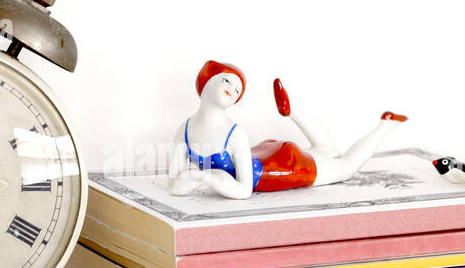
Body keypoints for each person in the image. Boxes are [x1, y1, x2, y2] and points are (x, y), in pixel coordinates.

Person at [168, 60, 407, 199]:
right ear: (205, 81)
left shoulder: (235, 133)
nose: (232, 89)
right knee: (328, 150)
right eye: (227, 80)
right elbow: (174, 185)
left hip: (282, 167)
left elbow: (243, 190)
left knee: (346, 167)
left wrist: (204, 177)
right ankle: (291, 112)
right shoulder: (184, 130)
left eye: (238, 90)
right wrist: (199, 178)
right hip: (267, 153)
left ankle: (387, 123)